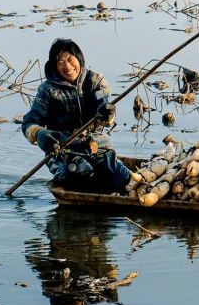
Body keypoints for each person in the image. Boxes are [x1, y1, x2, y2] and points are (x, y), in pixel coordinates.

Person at [21, 39, 139, 194]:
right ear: (55, 66)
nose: (68, 67)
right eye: (61, 62)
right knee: (80, 173)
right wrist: (40, 134)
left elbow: (104, 112)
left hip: (96, 145)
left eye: (70, 60)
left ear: (79, 59)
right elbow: (29, 122)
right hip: (64, 149)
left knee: (120, 178)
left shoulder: (94, 81)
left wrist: (107, 113)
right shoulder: (47, 90)